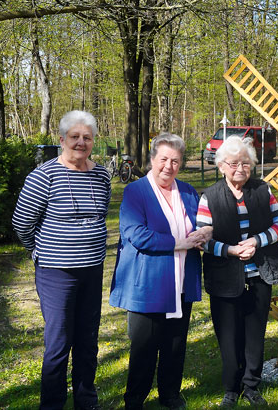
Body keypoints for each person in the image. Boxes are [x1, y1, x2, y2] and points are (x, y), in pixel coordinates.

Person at [12, 110, 110, 410]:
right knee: (58, 344)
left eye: (87, 137)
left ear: (93, 141)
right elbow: (22, 222)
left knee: (87, 342)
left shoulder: (102, 175)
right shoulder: (44, 176)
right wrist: (39, 252)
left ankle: (86, 401)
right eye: (75, 137)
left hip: (92, 271)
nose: (81, 143)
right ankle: (52, 404)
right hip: (57, 274)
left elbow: (101, 214)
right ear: (62, 139)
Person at [109, 133, 213, 409]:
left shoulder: (189, 192)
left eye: (175, 161)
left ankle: (170, 395)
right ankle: (134, 400)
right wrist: (179, 243)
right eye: (164, 159)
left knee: (175, 345)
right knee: (144, 348)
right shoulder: (136, 192)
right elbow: (136, 235)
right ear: (152, 160)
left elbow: (202, 224)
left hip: (181, 281)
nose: (169, 166)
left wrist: (205, 233)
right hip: (148, 283)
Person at [196, 135, 278, 407]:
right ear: (221, 165)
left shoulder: (263, 190)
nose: (240, 168)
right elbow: (202, 240)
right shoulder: (209, 196)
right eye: (234, 163)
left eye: (246, 163)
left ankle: (251, 386)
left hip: (260, 275)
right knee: (228, 335)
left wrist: (257, 241)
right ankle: (230, 387)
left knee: (255, 334)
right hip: (225, 277)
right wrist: (231, 250)